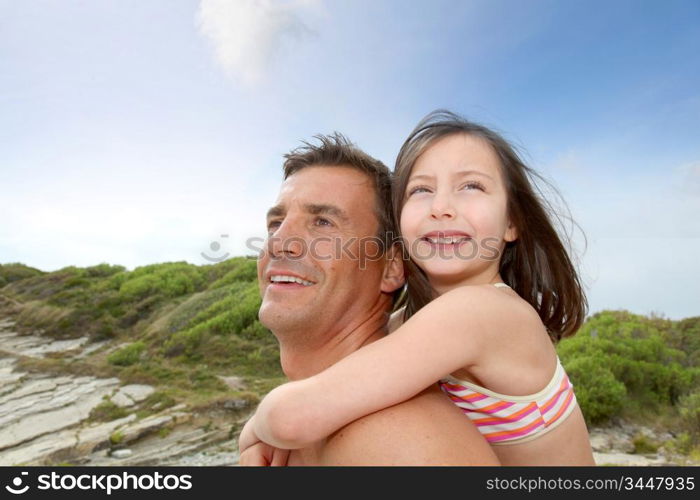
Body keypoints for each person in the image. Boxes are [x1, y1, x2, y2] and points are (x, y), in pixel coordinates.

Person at [240, 111, 595, 466]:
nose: (441, 207)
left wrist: (255, 429)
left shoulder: (483, 312)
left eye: (471, 186)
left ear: (512, 222)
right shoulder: (409, 327)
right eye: (421, 190)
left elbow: (293, 417)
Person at [239, 132, 500, 466]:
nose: (278, 243)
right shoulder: (308, 424)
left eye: (322, 222)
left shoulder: (396, 445)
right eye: (276, 223)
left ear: (392, 267)